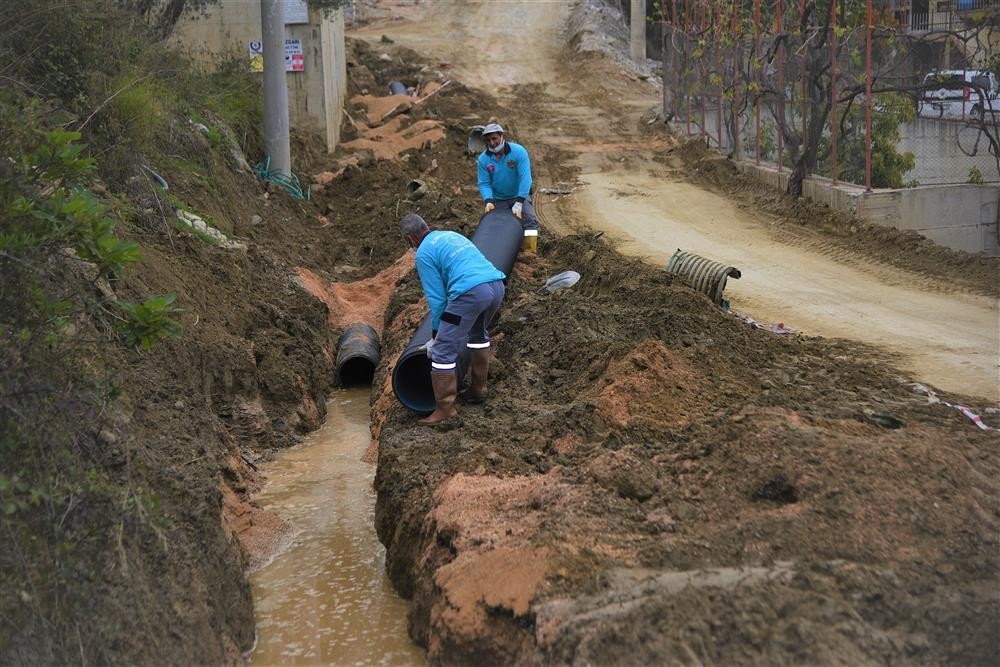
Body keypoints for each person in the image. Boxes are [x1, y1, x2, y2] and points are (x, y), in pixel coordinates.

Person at [400, 213, 506, 426]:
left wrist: (435, 335)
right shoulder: (450, 235)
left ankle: (444, 410)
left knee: (442, 351)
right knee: (478, 336)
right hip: (496, 286)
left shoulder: (423, 254)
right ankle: (478, 390)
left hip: (470, 292)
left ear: (410, 239)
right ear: (427, 226)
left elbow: (438, 300)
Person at [476, 122, 539, 254]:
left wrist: (520, 201)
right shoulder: (483, 159)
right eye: (488, 140)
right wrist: (488, 200)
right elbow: (484, 183)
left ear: (501, 136)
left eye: (494, 138)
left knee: (530, 221)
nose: (492, 143)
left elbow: (525, 178)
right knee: (494, 224)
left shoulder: (518, 152)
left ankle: (529, 252)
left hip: (518, 195)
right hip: (498, 199)